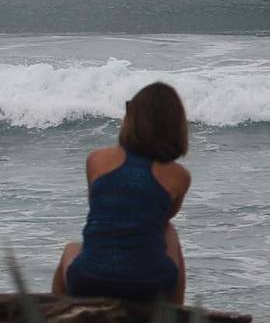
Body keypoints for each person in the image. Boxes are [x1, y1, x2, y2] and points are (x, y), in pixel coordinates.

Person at [52, 82, 191, 304]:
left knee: (72, 248)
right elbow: (161, 219)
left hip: (90, 279)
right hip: (151, 286)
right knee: (169, 231)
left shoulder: (97, 160)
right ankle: (176, 321)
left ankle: (55, 320)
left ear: (132, 119)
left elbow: (104, 209)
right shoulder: (179, 176)